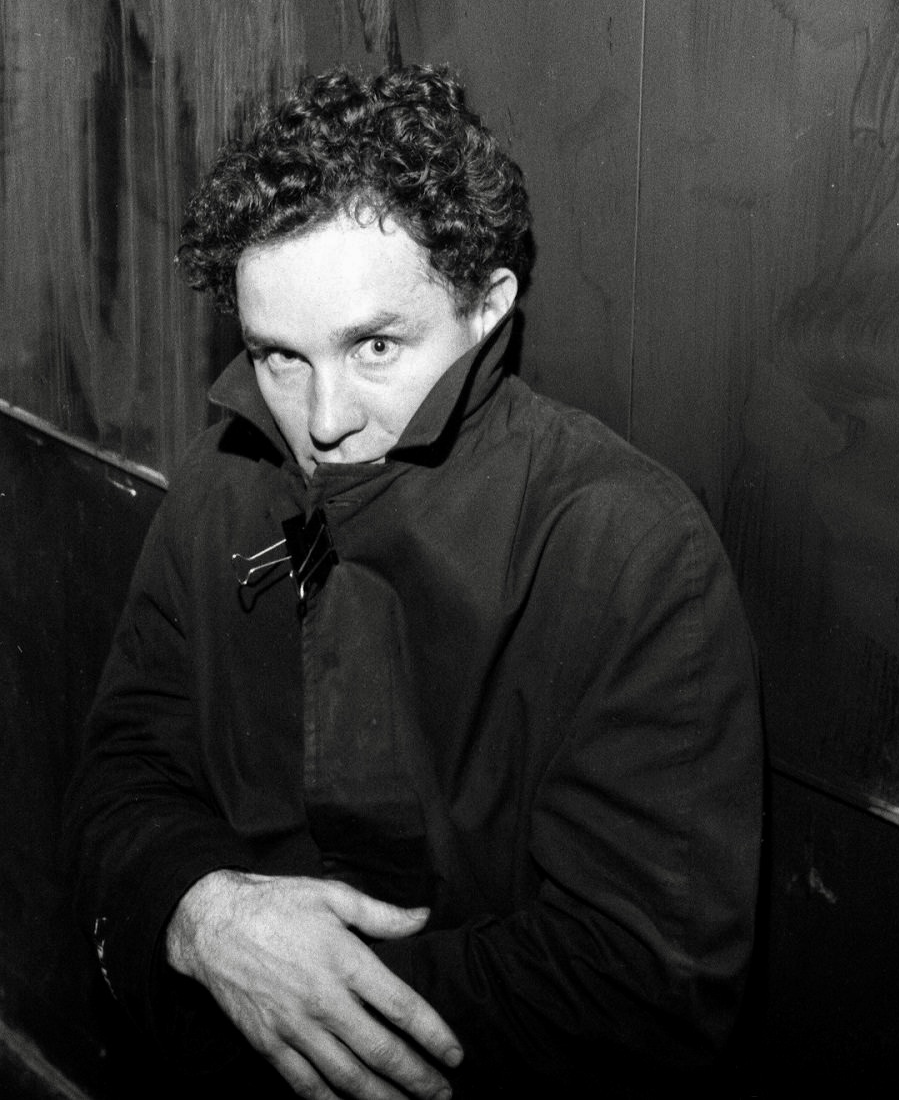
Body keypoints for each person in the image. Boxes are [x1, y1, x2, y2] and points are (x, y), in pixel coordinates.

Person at [64, 65, 763, 1100]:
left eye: (375, 345)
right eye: (278, 356)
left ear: (486, 308)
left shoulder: (628, 548)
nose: (324, 417)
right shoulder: (221, 482)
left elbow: (643, 979)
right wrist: (202, 913)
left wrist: (290, 1005)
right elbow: (121, 776)